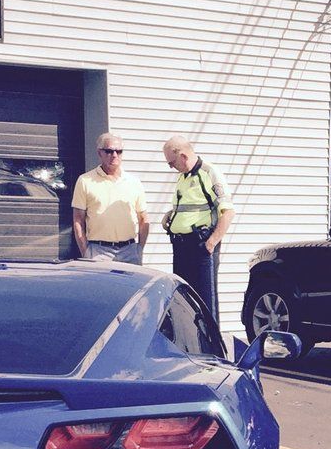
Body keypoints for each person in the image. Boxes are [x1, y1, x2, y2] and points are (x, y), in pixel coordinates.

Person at [162, 135, 234, 319]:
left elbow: (228, 212)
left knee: (205, 303)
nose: (170, 167)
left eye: (171, 162)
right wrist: (171, 216)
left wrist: (211, 243)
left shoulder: (209, 173)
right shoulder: (183, 177)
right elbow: (192, 206)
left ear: (183, 156)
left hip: (201, 245)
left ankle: (210, 347)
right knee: (183, 299)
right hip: (181, 246)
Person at [70, 131, 149, 263]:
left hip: (129, 251)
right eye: (109, 151)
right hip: (98, 251)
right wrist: (86, 251)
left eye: (119, 151)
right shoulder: (85, 181)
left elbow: (143, 218)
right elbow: (78, 220)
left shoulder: (134, 182)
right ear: (99, 152)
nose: (114, 155)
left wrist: (139, 249)